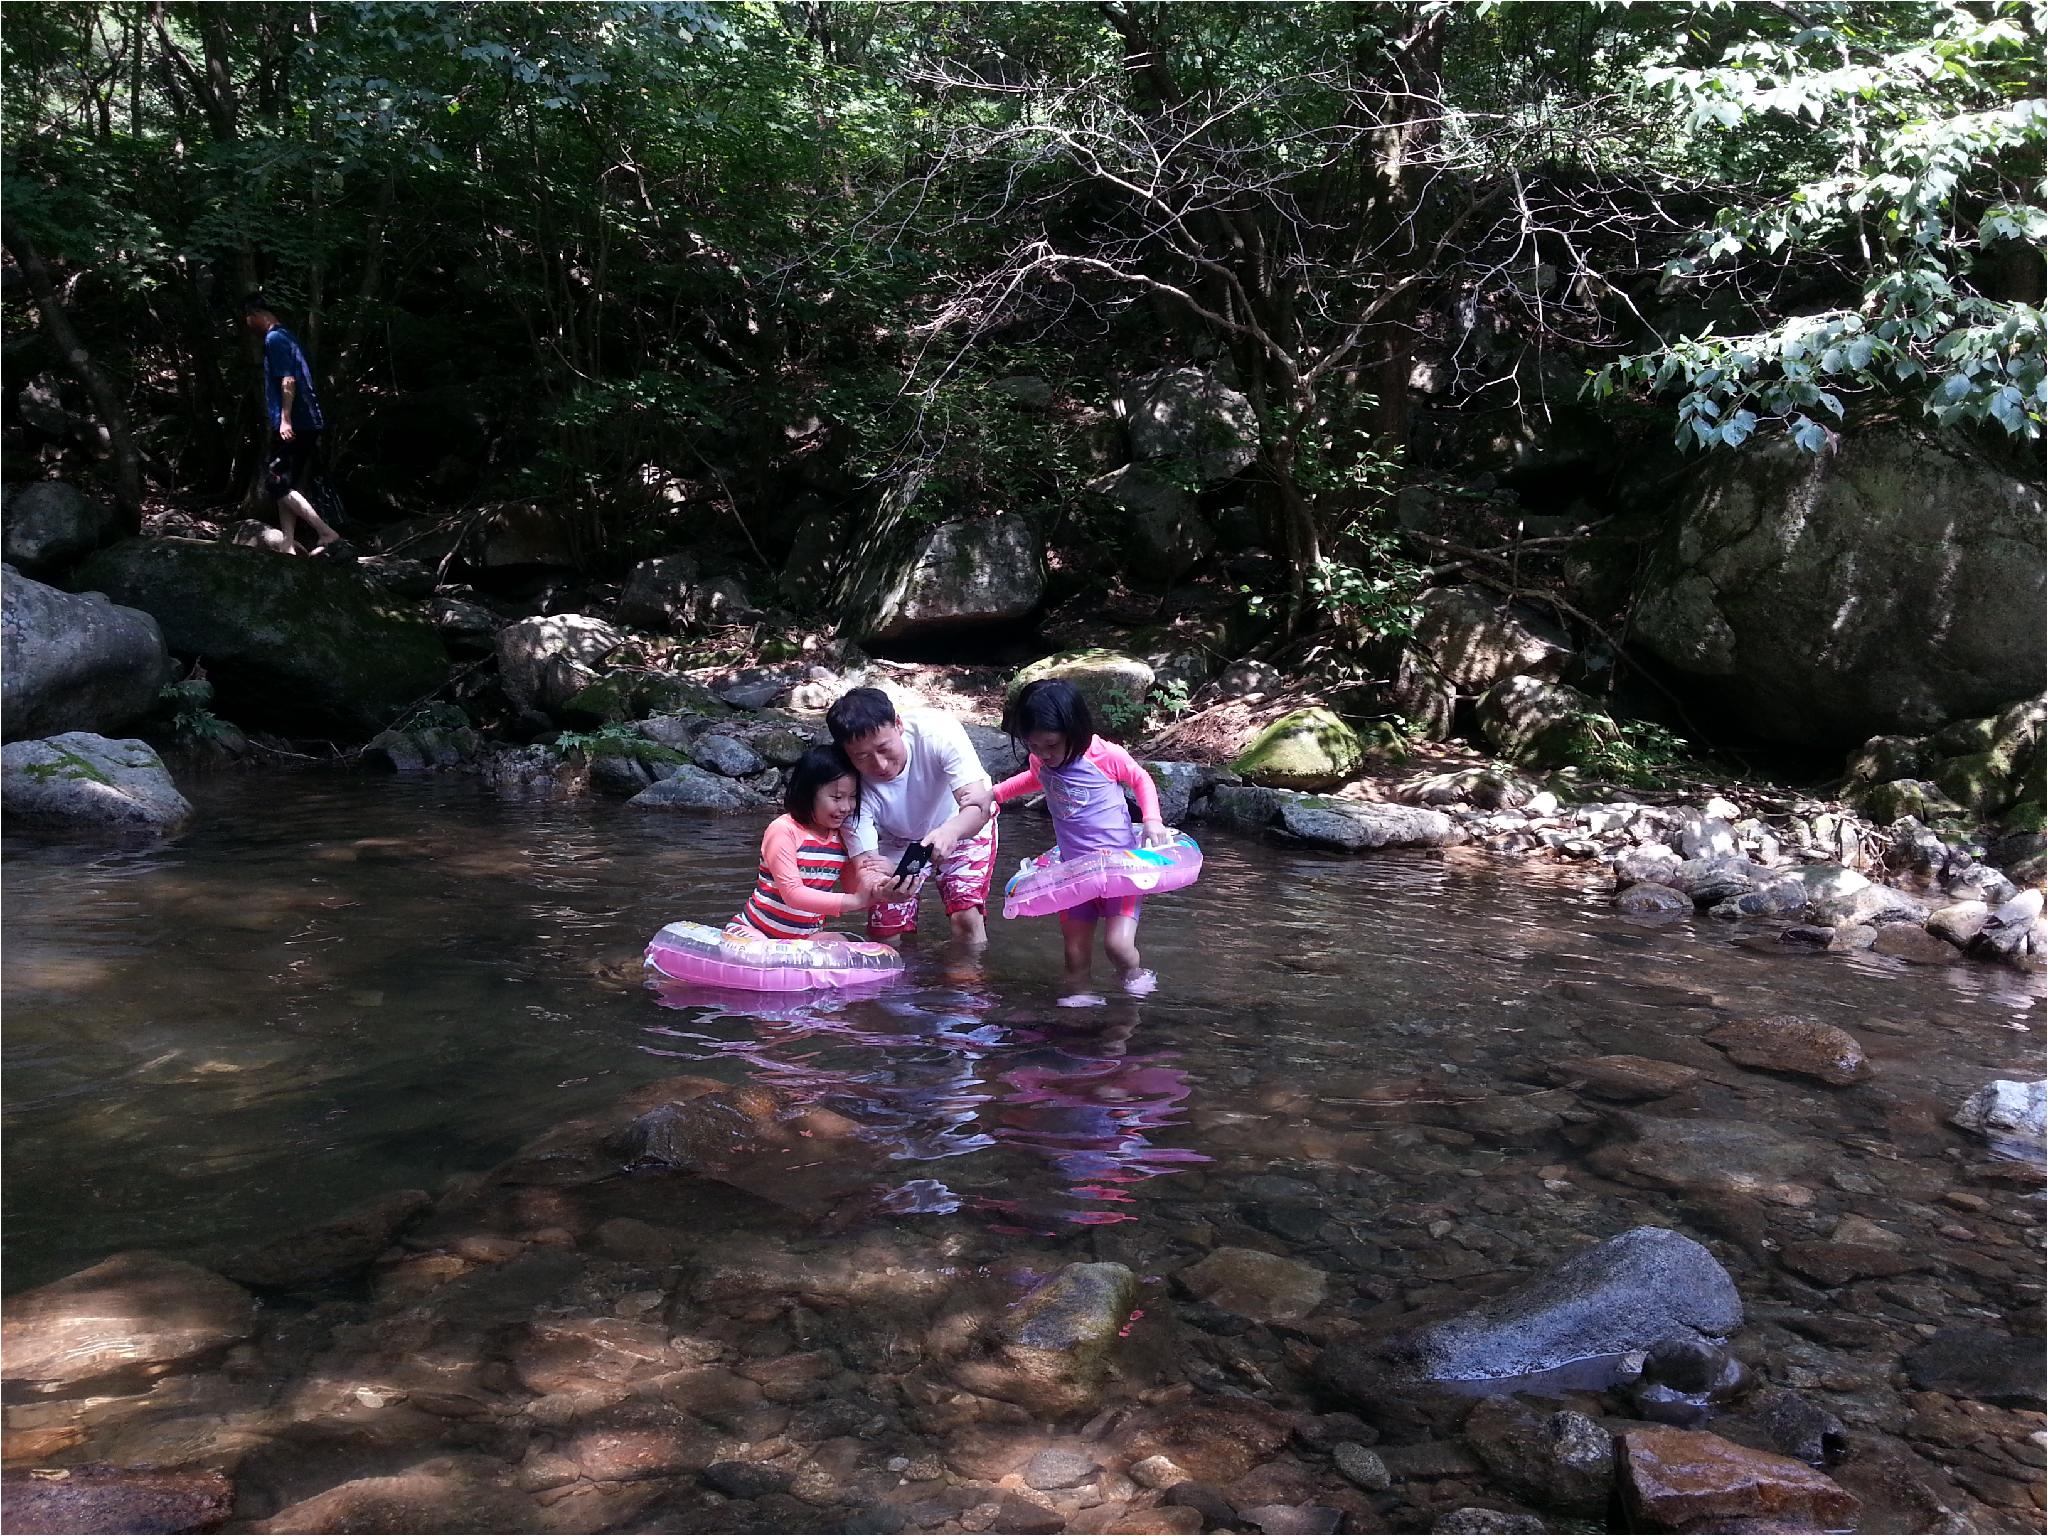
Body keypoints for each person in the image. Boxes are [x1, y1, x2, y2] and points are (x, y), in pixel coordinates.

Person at [996, 678, 1171, 1002]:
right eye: (1034, 746)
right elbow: (1033, 780)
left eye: (1051, 745)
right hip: (1075, 871)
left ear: (1074, 731)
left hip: (1121, 869)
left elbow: (1140, 778)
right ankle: (1079, 1012)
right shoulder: (1041, 761)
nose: (1043, 754)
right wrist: (996, 794)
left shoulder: (1104, 755)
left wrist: (1151, 820)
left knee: (1117, 946)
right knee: (1075, 953)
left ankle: (1133, 979)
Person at [827, 687, 998, 946]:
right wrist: (881, 887)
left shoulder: (937, 733)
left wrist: (950, 831)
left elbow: (978, 806)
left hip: (960, 824)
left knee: (964, 912)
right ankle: (898, 985)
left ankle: (969, 982)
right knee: (885, 932)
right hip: (897, 840)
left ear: (898, 724)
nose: (880, 765)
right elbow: (867, 863)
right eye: (862, 757)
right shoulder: (848, 786)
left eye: (884, 748)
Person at [729, 744, 873, 941]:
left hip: (805, 939)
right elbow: (793, 894)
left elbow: (854, 889)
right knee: (761, 951)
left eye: (853, 797)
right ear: (808, 793)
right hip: (756, 932)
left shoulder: (843, 837)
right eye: (837, 797)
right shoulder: (783, 830)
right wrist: (855, 900)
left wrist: (881, 885)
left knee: (851, 943)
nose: (846, 807)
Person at [241, 294, 342, 556]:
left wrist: (285, 419)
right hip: (307, 421)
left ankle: (325, 532)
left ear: (258, 315)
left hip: (296, 423)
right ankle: (288, 543)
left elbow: (288, 381)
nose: (248, 326)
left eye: (248, 320)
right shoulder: (288, 336)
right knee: (286, 484)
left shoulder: (274, 339)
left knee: (275, 483)